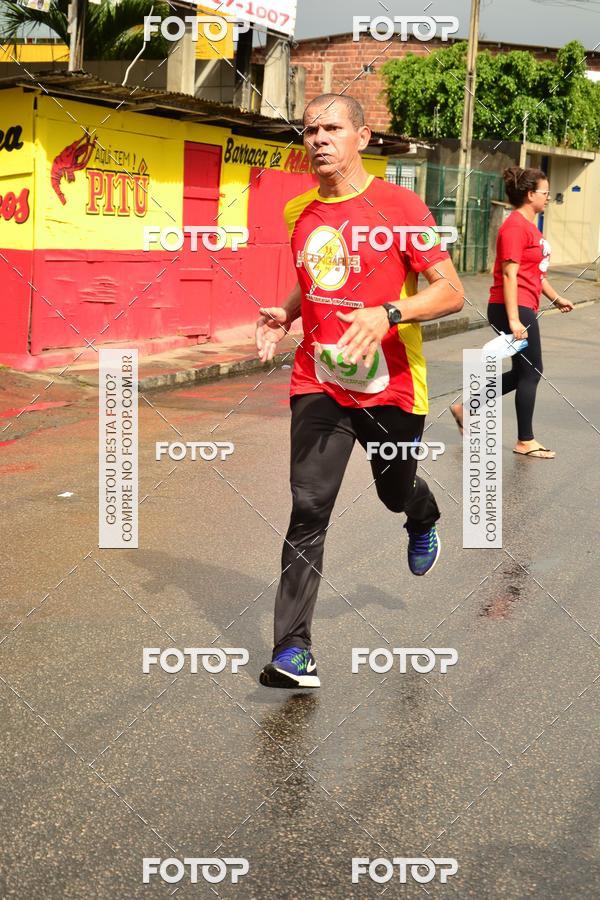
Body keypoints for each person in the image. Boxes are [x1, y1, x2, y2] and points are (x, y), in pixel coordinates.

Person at [255, 94, 464, 689]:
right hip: (319, 381)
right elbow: (317, 278)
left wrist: (389, 313)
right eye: (310, 130)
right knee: (308, 508)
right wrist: (288, 313)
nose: (319, 139)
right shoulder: (299, 210)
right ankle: (293, 651)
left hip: (391, 387)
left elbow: (450, 292)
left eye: (332, 128)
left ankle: (421, 513)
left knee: (393, 491)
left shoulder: (400, 206)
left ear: (363, 137)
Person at [451, 166, 573, 457]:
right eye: (545, 192)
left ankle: (466, 408)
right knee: (532, 370)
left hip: (523, 304)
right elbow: (509, 274)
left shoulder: (530, 227)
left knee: (523, 372)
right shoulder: (515, 227)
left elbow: (536, 274)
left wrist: (556, 298)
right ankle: (525, 440)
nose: (548, 197)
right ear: (530, 194)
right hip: (512, 306)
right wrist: (515, 319)